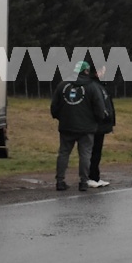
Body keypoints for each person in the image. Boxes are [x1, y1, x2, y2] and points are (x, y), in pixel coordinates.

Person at [50, 61, 108, 192]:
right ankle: (83, 182)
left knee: (63, 153)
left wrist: (62, 118)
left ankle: (60, 181)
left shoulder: (62, 85)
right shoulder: (92, 86)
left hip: (66, 126)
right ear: (86, 71)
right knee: (85, 155)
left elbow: (54, 107)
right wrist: (97, 120)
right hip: (87, 128)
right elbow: (99, 108)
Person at [87, 65, 116, 188]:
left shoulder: (101, 85)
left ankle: (96, 176)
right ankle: (90, 177)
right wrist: (104, 115)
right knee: (92, 152)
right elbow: (97, 106)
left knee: (97, 152)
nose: (104, 72)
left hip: (102, 125)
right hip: (96, 125)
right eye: (103, 70)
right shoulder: (93, 85)